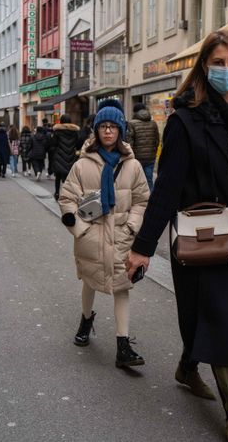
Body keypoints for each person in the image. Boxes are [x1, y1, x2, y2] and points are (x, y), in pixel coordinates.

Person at [125, 30, 228, 442]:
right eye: (218, 63)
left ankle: (224, 401)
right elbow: (166, 188)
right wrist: (142, 247)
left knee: (223, 317)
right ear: (203, 68)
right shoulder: (184, 121)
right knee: (200, 315)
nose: (226, 70)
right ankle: (222, 398)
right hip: (197, 234)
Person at [58, 100, 150, 368]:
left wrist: (132, 225)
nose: (108, 131)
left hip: (122, 236)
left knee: (123, 287)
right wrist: (81, 230)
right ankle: (86, 320)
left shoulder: (132, 166)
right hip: (92, 236)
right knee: (90, 281)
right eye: (103, 126)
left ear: (121, 130)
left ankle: (123, 345)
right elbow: (67, 199)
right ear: (96, 130)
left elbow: (142, 200)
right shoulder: (82, 165)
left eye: (113, 127)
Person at [127, 103, 160, 190]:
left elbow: (129, 142)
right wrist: (153, 152)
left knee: (136, 182)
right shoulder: (153, 123)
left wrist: (130, 156)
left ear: (134, 112)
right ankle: (150, 201)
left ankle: (140, 201)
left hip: (137, 158)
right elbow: (157, 140)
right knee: (149, 180)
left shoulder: (131, 123)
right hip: (150, 157)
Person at [49, 114, 81, 200]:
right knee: (69, 178)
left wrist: (54, 153)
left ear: (61, 121)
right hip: (71, 157)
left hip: (59, 156)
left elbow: (53, 145)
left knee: (58, 177)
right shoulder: (75, 132)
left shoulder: (57, 131)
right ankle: (67, 195)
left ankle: (56, 193)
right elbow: (78, 144)